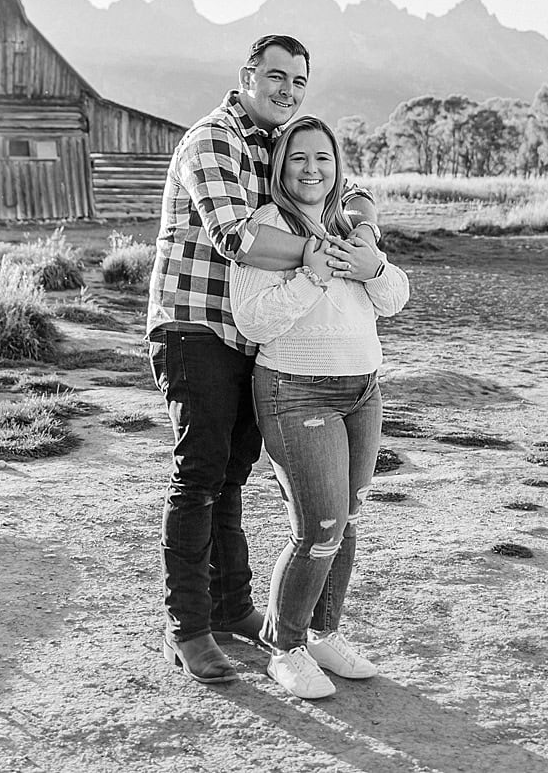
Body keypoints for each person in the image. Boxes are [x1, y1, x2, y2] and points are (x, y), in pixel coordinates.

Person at [148, 34, 384, 685]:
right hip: (194, 325)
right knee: (198, 477)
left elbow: (337, 190)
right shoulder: (215, 139)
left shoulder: (274, 143)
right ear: (248, 75)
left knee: (231, 478)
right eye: (275, 77)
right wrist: (324, 255)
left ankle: (231, 609)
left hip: (251, 340)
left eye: (298, 81)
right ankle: (187, 628)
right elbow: (237, 237)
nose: (286, 89)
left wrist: (357, 224)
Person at [230, 116, 410, 700]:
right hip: (296, 390)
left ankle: (324, 633)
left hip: (363, 392)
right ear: (281, 167)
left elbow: (393, 300)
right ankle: (284, 648)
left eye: (324, 159)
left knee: (348, 519)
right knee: (319, 529)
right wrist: (312, 274)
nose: (312, 169)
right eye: (299, 158)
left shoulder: (351, 226)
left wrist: (374, 266)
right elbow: (253, 320)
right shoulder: (266, 228)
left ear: (337, 167)